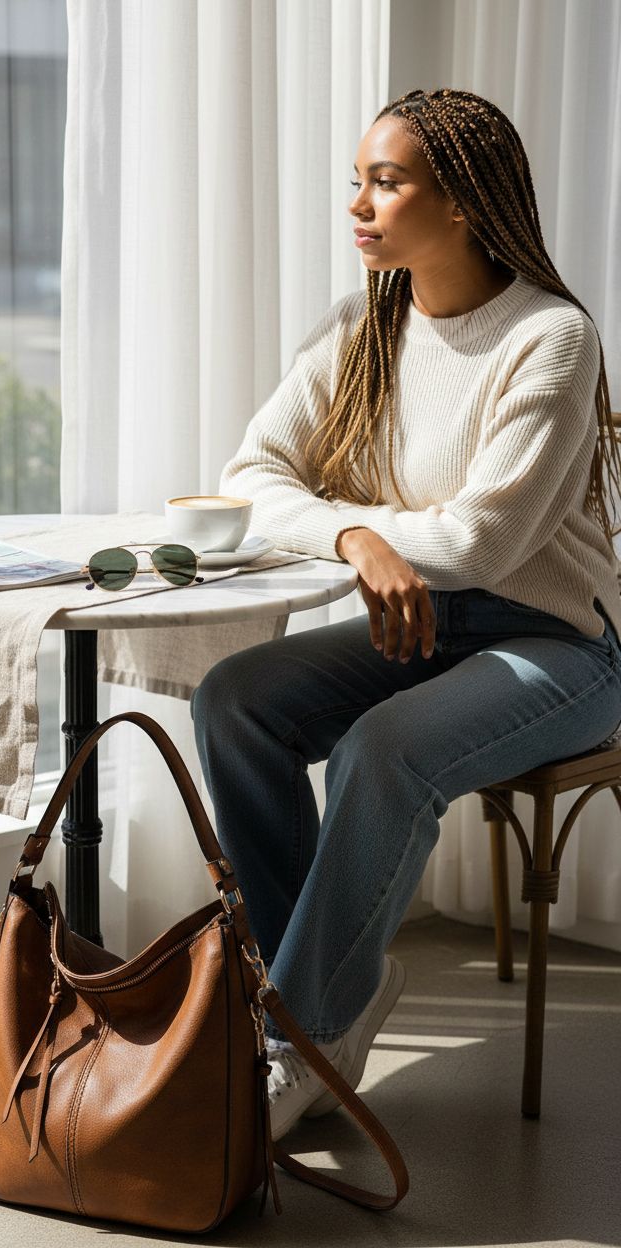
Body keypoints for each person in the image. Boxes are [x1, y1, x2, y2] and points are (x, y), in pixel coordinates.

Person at [189, 87, 621, 1143]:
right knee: (235, 696)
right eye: (357, 182)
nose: (359, 206)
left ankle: (292, 1040)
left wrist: (368, 530)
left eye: (387, 183)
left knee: (382, 749)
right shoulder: (359, 326)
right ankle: (321, 1004)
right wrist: (355, 540)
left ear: (464, 201)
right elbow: (249, 476)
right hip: (419, 625)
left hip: (558, 645)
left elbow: (484, 545)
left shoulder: (549, 338)